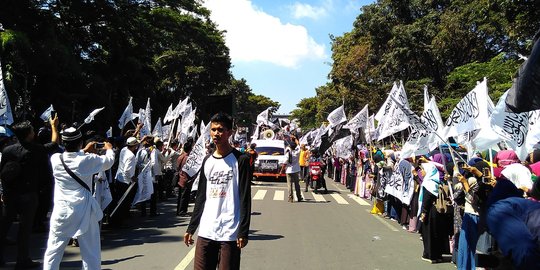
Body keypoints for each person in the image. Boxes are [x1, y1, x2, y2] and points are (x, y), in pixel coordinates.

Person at [184, 112, 251, 270]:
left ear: (229, 132)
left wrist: (243, 231)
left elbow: (245, 198)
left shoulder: (241, 160)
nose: (216, 133)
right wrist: (191, 227)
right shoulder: (207, 160)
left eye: (220, 130)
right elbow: (201, 196)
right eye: (213, 130)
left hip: (229, 232)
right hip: (207, 230)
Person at [43, 127, 115, 270]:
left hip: (61, 210)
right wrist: (109, 148)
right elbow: (109, 161)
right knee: (91, 252)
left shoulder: (55, 159)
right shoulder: (88, 160)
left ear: (64, 143)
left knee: (53, 251)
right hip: (84, 211)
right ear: (80, 142)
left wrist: (83, 150)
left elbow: (71, 157)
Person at [0, 117, 60, 268]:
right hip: (29, 194)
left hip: (10, 194)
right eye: (32, 130)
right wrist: (54, 126)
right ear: (29, 134)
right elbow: (54, 144)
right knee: (24, 229)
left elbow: (2, 172)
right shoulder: (35, 150)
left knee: (4, 226)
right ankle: (22, 260)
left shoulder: (8, 150)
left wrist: (3, 191)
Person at [110, 137, 139, 228]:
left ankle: (117, 220)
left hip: (119, 178)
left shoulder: (123, 150)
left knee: (118, 201)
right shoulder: (131, 156)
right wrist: (133, 177)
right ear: (134, 145)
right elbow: (127, 170)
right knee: (123, 203)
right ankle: (119, 222)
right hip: (125, 181)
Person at [176, 138, 193, 216]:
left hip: (180, 177)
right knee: (184, 196)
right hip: (185, 178)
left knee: (181, 196)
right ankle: (182, 211)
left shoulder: (180, 157)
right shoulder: (188, 158)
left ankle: (179, 210)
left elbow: (177, 167)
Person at [282, 136, 302, 202]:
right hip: (296, 170)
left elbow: (284, 163)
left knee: (289, 185)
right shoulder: (297, 152)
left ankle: (290, 198)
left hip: (289, 170)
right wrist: (295, 138)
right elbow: (299, 144)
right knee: (297, 185)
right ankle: (299, 197)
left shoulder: (288, 154)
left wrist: (281, 170)